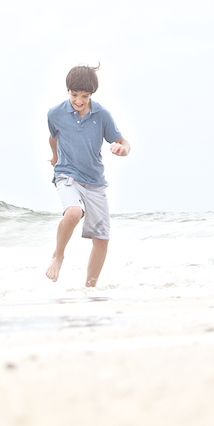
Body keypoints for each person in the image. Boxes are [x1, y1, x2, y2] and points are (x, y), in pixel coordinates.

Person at [45, 64, 131, 287]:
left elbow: (122, 141)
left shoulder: (101, 115)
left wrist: (122, 149)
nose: (79, 101)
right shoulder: (55, 114)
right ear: (68, 91)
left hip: (95, 181)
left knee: (101, 240)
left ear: (91, 94)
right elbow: (53, 136)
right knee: (73, 213)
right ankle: (58, 255)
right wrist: (55, 157)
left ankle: (90, 288)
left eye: (85, 96)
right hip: (67, 174)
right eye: (75, 95)